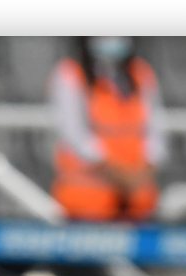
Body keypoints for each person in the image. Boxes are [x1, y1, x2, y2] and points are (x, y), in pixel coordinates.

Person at [50, 36, 167, 221]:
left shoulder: (140, 73)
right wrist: (119, 174)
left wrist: (143, 172)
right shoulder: (71, 73)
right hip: (86, 208)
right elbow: (74, 136)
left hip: (138, 207)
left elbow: (156, 132)